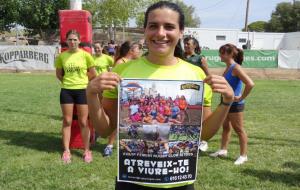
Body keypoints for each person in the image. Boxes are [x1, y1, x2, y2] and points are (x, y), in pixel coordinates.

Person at [87, 1, 234, 189]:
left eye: (169, 27)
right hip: (133, 180)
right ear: (145, 30)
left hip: (179, 180)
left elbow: (203, 134)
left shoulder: (196, 75)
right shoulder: (122, 71)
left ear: (181, 31)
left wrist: (227, 102)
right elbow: (106, 130)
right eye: (153, 26)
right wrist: (91, 94)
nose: (160, 33)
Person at [55, 29, 97, 163]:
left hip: (82, 91)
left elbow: (93, 74)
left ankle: (87, 150)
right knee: (67, 121)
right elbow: (59, 74)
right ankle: (66, 151)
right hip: (66, 91)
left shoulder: (86, 55)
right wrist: (68, 83)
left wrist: (82, 82)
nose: (72, 42)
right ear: (66, 41)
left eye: (75, 39)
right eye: (70, 39)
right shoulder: (62, 56)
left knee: (83, 121)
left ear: (79, 41)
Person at [210, 43, 255, 165]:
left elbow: (250, 84)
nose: (220, 55)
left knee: (239, 130)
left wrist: (241, 97)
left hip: (235, 104)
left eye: (222, 52)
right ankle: (223, 150)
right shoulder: (228, 67)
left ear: (230, 54)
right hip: (225, 102)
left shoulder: (236, 68)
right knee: (225, 127)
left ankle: (243, 155)